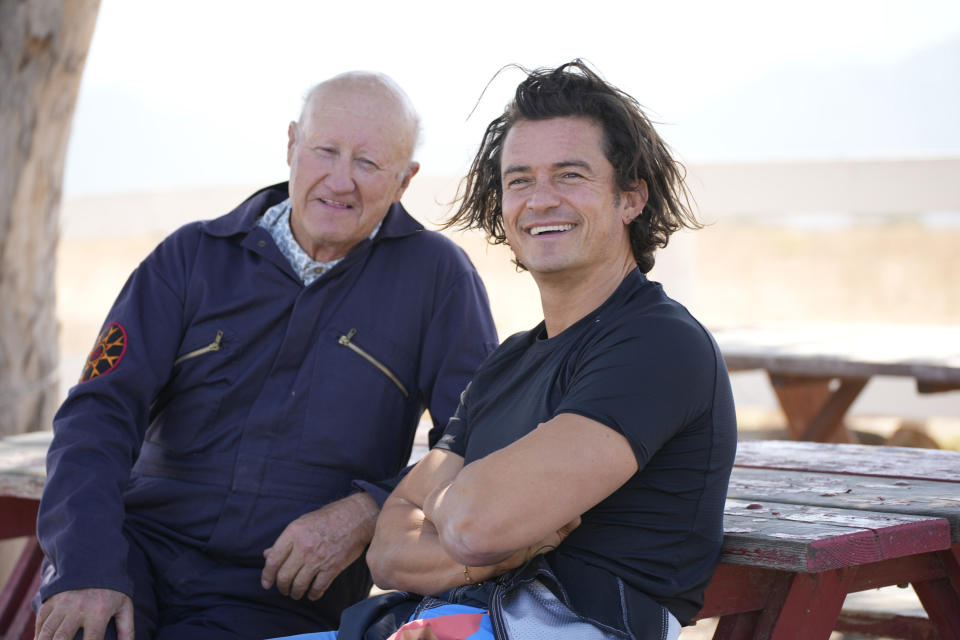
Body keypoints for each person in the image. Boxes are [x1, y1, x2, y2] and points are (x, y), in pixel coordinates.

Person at [275, 60, 737, 640]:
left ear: (631, 198)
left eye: (569, 175)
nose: (539, 200)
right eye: (519, 180)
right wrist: (498, 538)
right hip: (448, 621)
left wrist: (449, 505)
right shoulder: (508, 363)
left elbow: (472, 523)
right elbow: (389, 552)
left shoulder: (659, 344)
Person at [33, 72, 498, 640]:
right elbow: (97, 416)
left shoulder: (439, 279)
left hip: (282, 592)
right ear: (291, 146)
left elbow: (477, 437)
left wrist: (370, 509)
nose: (341, 179)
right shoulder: (190, 257)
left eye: (369, 163)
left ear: (405, 181)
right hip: (136, 556)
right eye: (326, 151)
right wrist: (85, 567)